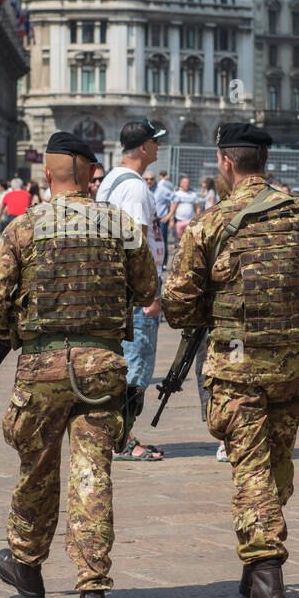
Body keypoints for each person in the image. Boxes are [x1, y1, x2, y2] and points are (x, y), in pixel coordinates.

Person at [163, 123, 299, 598]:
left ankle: (268, 586)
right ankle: (253, 573)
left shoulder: (209, 223)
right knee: (274, 464)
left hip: (238, 370)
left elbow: (176, 305)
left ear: (226, 162)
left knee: (250, 469)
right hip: (294, 367)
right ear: (265, 161)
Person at [0, 132, 157, 598]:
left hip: (41, 368)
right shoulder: (118, 225)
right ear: (86, 173)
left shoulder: (25, 227)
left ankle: (27, 565)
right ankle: (94, 594)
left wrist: (17, 329)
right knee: (92, 472)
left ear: (49, 173)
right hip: (102, 364)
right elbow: (148, 289)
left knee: (37, 466)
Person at [97, 119, 168, 463]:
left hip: (114, 288)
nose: (158, 148)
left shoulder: (111, 179)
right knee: (136, 365)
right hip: (133, 294)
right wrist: (150, 293)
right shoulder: (136, 188)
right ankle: (121, 440)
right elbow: (136, 243)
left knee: (124, 362)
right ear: (143, 147)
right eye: (155, 142)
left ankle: (119, 434)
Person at [167, 175, 202, 240]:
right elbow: (172, 209)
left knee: (189, 240)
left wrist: (198, 218)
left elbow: (197, 208)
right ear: (180, 184)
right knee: (179, 240)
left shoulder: (193, 194)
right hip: (179, 220)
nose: (187, 184)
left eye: (188, 182)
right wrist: (171, 220)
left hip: (190, 221)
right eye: (185, 182)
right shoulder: (177, 194)